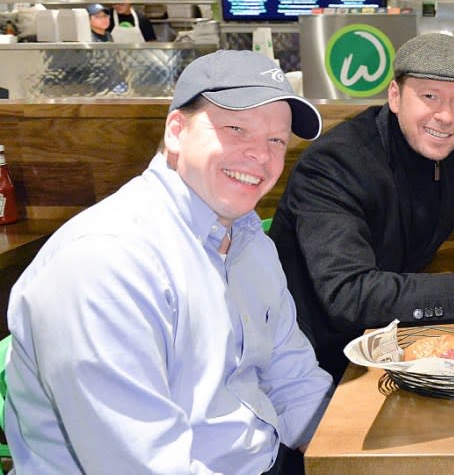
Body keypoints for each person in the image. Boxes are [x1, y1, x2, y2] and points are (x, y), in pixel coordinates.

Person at [4, 50, 333, 474]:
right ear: (176, 131)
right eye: (236, 129)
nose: (261, 155)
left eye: (276, 140)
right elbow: (143, 465)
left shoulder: (248, 239)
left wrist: (361, 458)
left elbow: (293, 379)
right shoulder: (105, 263)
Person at [268, 33, 454, 381]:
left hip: (391, 339)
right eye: (430, 96)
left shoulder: (451, 154)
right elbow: (350, 296)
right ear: (395, 97)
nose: (445, 116)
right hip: (319, 359)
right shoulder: (335, 165)